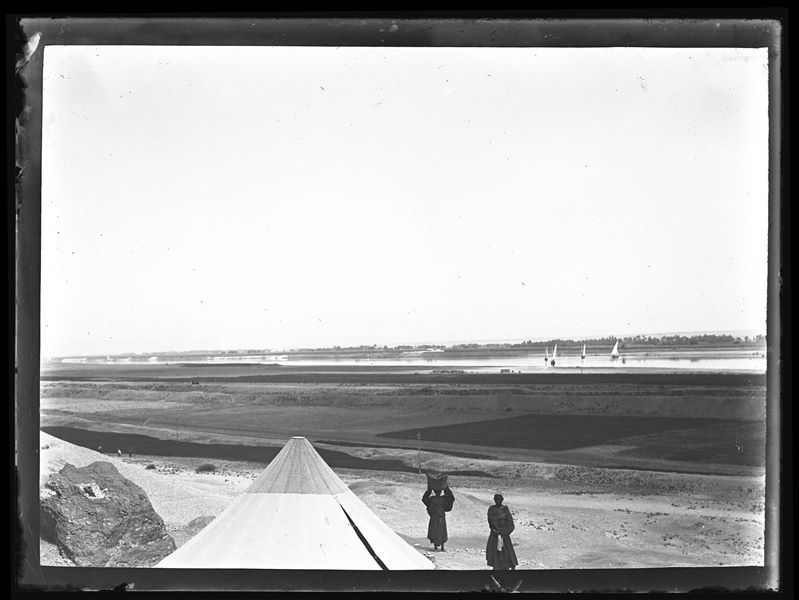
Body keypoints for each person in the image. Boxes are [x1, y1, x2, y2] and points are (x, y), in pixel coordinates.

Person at [486, 493, 518, 570]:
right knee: (495, 554)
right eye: (496, 500)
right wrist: (495, 530)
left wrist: (503, 533)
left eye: (499, 500)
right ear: (494, 500)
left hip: (504, 535)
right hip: (494, 535)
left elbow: (511, 525)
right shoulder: (491, 509)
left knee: (507, 553)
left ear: (502, 500)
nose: (498, 501)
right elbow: (490, 522)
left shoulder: (505, 509)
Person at [422, 485, 455, 551]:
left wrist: (429, 490)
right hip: (439, 518)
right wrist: (446, 489)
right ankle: (440, 548)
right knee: (440, 532)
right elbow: (451, 498)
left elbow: (424, 499)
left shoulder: (432, 499)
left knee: (437, 532)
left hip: (436, 518)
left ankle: (437, 547)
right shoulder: (442, 499)